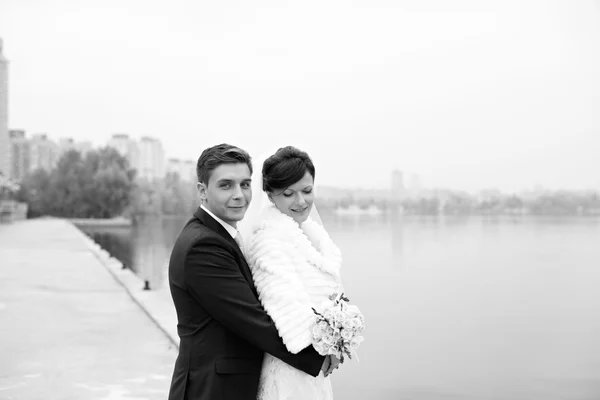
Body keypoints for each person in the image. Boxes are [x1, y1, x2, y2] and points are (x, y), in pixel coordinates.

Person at [167, 143, 338, 400]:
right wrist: (318, 356)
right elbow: (252, 320)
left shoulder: (221, 235)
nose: (239, 195)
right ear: (202, 191)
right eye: (226, 185)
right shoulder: (203, 245)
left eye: (245, 184)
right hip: (212, 388)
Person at [239, 146, 345, 400]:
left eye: (307, 191)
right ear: (270, 195)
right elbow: (285, 308)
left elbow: (332, 296)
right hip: (291, 366)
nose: (301, 202)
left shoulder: (312, 234)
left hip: (314, 368)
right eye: (288, 194)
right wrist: (326, 347)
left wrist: (340, 336)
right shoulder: (268, 241)